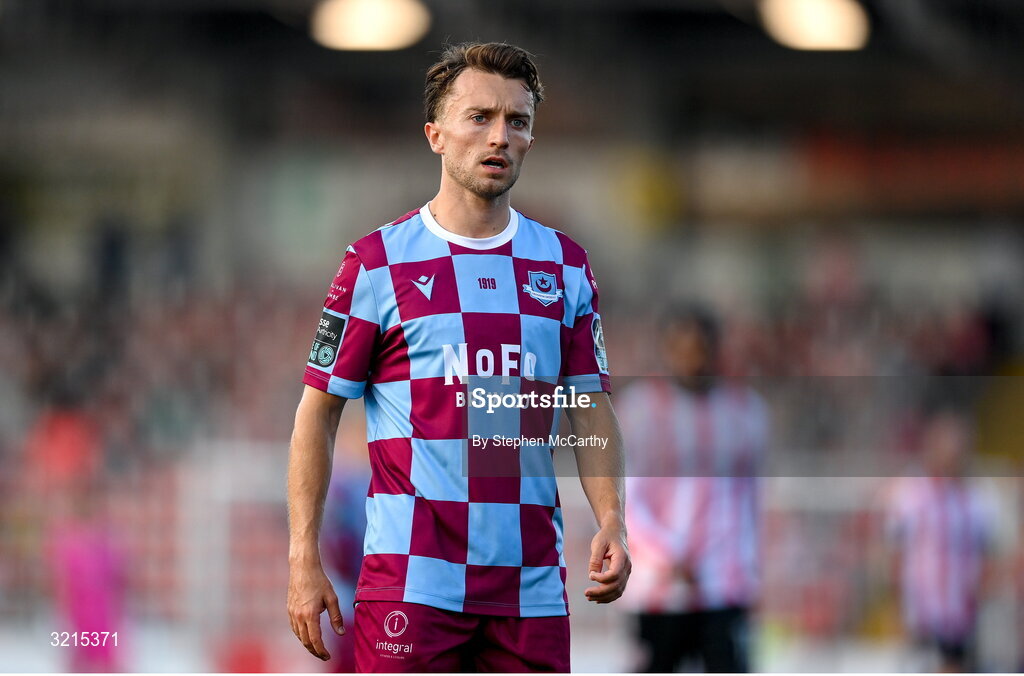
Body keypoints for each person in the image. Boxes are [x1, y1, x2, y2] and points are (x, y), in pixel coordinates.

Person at [286, 42, 630, 672]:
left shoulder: (565, 265)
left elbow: (589, 406)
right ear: (435, 135)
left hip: (530, 587)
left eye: (517, 121)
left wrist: (612, 518)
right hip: (413, 584)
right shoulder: (374, 265)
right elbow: (318, 411)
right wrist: (302, 556)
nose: (500, 136)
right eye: (479, 117)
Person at [619, 304, 767, 672]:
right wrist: (666, 554)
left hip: (724, 582)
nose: (692, 359)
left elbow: (749, 496)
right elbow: (623, 497)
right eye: (681, 349)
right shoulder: (638, 409)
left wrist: (748, 563)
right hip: (659, 585)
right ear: (666, 350)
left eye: (700, 348)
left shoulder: (746, 411)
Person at [885, 410, 996, 672]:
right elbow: (894, 550)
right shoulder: (912, 494)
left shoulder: (977, 499)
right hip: (922, 613)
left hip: (962, 614)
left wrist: (981, 589)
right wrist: (896, 604)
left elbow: (988, 554)